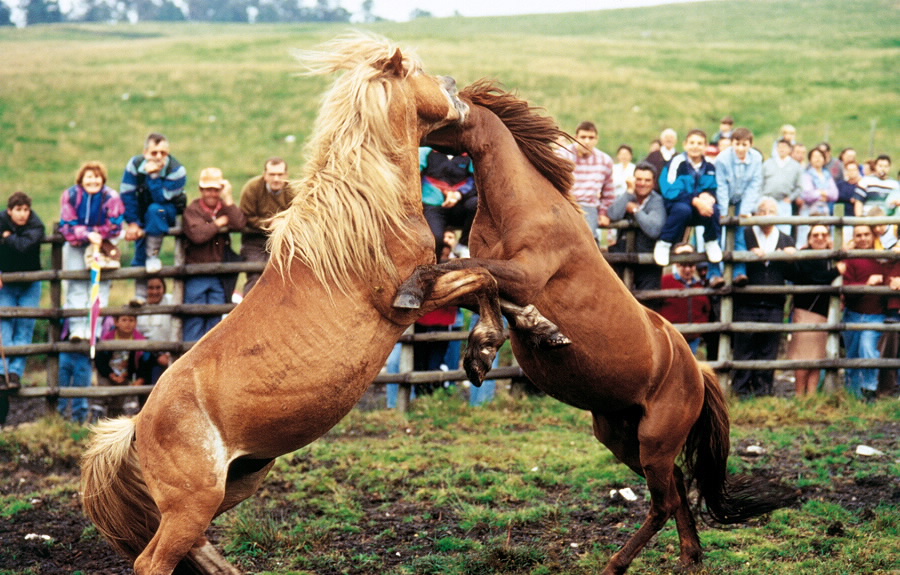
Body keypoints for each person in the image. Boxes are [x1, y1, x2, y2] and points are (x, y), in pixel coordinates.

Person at [731, 198, 797, 398]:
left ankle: (763, 391)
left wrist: (790, 257)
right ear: (756, 214)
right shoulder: (746, 234)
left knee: (769, 348)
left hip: (774, 302)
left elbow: (792, 273)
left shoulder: (786, 240)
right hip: (746, 300)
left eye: (771, 210)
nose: (767, 214)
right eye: (762, 210)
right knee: (744, 346)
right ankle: (740, 391)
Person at [59, 161, 125, 341]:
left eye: (97, 177)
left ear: (102, 179)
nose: (93, 181)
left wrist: (98, 235)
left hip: (102, 246)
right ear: (81, 179)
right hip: (77, 246)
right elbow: (66, 225)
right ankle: (77, 330)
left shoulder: (111, 197)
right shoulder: (71, 195)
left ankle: (94, 330)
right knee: (76, 286)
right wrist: (87, 234)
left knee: (100, 287)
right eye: (89, 177)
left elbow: (116, 224)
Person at [182, 168, 246, 342]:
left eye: (216, 190)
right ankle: (190, 363)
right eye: (208, 189)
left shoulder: (224, 207)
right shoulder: (193, 210)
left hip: (218, 275)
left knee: (215, 323)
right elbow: (197, 235)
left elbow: (240, 223)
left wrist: (229, 198)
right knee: (194, 320)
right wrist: (218, 223)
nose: (212, 193)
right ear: (201, 190)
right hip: (197, 274)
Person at [121, 132, 187, 285]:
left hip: (167, 212)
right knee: (139, 254)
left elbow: (161, 198)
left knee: (156, 210)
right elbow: (127, 194)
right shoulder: (135, 165)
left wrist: (154, 176)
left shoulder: (177, 171)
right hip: (143, 213)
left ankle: (153, 256)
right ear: (145, 153)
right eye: (154, 152)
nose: (158, 156)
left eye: (163, 153)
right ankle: (140, 296)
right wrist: (133, 222)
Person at [653, 129, 722, 268]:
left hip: (698, 208)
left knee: (713, 210)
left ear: (705, 146)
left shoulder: (709, 166)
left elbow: (712, 187)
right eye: (692, 142)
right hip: (677, 205)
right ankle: (664, 243)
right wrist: (695, 200)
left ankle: (711, 241)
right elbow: (670, 190)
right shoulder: (676, 163)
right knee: (682, 210)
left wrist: (709, 197)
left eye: (699, 143)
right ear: (685, 145)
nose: (695, 146)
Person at [787, 225, 840, 396]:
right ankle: (799, 395)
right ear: (809, 239)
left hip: (824, 314)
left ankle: (811, 396)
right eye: (815, 234)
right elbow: (814, 279)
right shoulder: (804, 256)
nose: (820, 238)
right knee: (803, 358)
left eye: (824, 234)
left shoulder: (830, 256)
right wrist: (836, 271)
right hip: (806, 312)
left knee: (817, 357)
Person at [0, 191, 44, 392]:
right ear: (9, 211)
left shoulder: (36, 225)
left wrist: (8, 238)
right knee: (4, 325)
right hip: (6, 282)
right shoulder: (1, 221)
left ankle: (16, 372)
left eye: (26, 210)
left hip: (30, 282)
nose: (22, 214)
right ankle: (3, 371)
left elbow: (24, 247)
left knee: (25, 326)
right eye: (18, 210)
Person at [837, 225, 886, 400]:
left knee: (867, 347)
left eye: (866, 234)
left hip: (875, 313)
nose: (863, 238)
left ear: (873, 236)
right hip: (853, 313)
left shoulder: (882, 258)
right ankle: (853, 395)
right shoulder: (850, 259)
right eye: (859, 235)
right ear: (854, 238)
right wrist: (867, 284)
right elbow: (845, 288)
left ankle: (869, 389)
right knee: (853, 354)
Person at [607, 162, 665, 300]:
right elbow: (613, 214)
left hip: (647, 261)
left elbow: (654, 229)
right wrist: (628, 192)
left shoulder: (657, 201)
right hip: (623, 257)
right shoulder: (628, 196)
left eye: (647, 180)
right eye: (638, 179)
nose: (642, 183)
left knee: (648, 302)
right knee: (619, 300)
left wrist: (635, 210)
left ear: (653, 183)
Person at [714, 127, 764, 285]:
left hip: (742, 197)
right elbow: (720, 185)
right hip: (723, 196)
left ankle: (739, 272)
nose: (741, 148)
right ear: (732, 143)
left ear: (751, 144)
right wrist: (723, 210)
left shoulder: (756, 158)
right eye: (737, 144)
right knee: (718, 236)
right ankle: (715, 273)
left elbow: (754, 184)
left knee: (740, 234)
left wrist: (745, 210)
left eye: (744, 144)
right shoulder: (722, 159)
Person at [239, 157, 295, 295]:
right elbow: (246, 217)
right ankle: (249, 314)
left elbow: (300, 215)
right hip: (255, 240)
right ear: (265, 175)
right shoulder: (252, 188)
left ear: (286, 175)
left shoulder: (293, 191)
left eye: (280, 174)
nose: (276, 179)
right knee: (256, 276)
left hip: (283, 240)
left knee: (285, 276)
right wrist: (269, 223)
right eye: (272, 174)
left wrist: (283, 222)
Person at [557, 122, 616, 241]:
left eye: (591, 138)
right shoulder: (562, 155)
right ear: (576, 137)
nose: (587, 141)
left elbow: (609, 193)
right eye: (583, 137)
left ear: (596, 139)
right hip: (564, 204)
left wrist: (603, 213)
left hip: (588, 206)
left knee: (586, 238)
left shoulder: (604, 161)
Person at [419, 147, 479, 258]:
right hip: (434, 205)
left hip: (459, 206)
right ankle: (434, 262)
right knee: (435, 238)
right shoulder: (427, 152)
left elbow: (475, 180)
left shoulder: (468, 155)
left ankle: (462, 246)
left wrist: (458, 194)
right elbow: (415, 174)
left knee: (476, 204)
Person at [95, 313, 152, 418]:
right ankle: (97, 418)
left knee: (125, 400)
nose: (127, 324)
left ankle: (120, 418)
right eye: (124, 320)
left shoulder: (140, 340)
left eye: (131, 320)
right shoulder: (108, 338)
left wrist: (138, 378)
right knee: (103, 394)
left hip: (127, 376)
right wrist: (111, 375)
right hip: (108, 374)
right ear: (116, 322)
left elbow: (144, 362)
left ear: (136, 323)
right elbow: (100, 361)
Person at [658, 243, 711, 355]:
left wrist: (699, 329)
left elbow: (706, 310)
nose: (687, 269)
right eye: (682, 264)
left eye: (691, 265)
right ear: (676, 264)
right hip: (670, 337)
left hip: (693, 339)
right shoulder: (664, 282)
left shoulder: (700, 286)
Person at [136, 276, 176, 385]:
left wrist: (168, 354)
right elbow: (140, 336)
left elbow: (176, 329)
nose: (154, 292)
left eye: (158, 288)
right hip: (149, 355)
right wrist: (157, 355)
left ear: (164, 289)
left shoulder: (171, 302)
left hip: (171, 352)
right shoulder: (140, 306)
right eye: (151, 288)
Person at [762, 138, 804, 236]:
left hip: (784, 202)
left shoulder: (796, 166)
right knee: (767, 229)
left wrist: (790, 198)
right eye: (779, 147)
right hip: (768, 200)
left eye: (785, 147)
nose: (782, 149)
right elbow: (760, 182)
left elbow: (799, 187)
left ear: (790, 149)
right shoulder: (767, 164)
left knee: (784, 230)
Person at [797, 147, 838, 243]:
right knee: (806, 236)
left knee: (824, 235)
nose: (817, 159)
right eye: (814, 156)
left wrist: (820, 192)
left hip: (824, 211)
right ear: (810, 159)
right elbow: (808, 194)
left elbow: (834, 194)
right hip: (808, 211)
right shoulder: (806, 174)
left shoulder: (827, 175)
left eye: (820, 156)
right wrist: (823, 193)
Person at [56, 319, 92, 423]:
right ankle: (59, 416)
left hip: (85, 350)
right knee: (61, 382)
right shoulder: (68, 306)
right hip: (66, 346)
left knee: (81, 385)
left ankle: (79, 418)